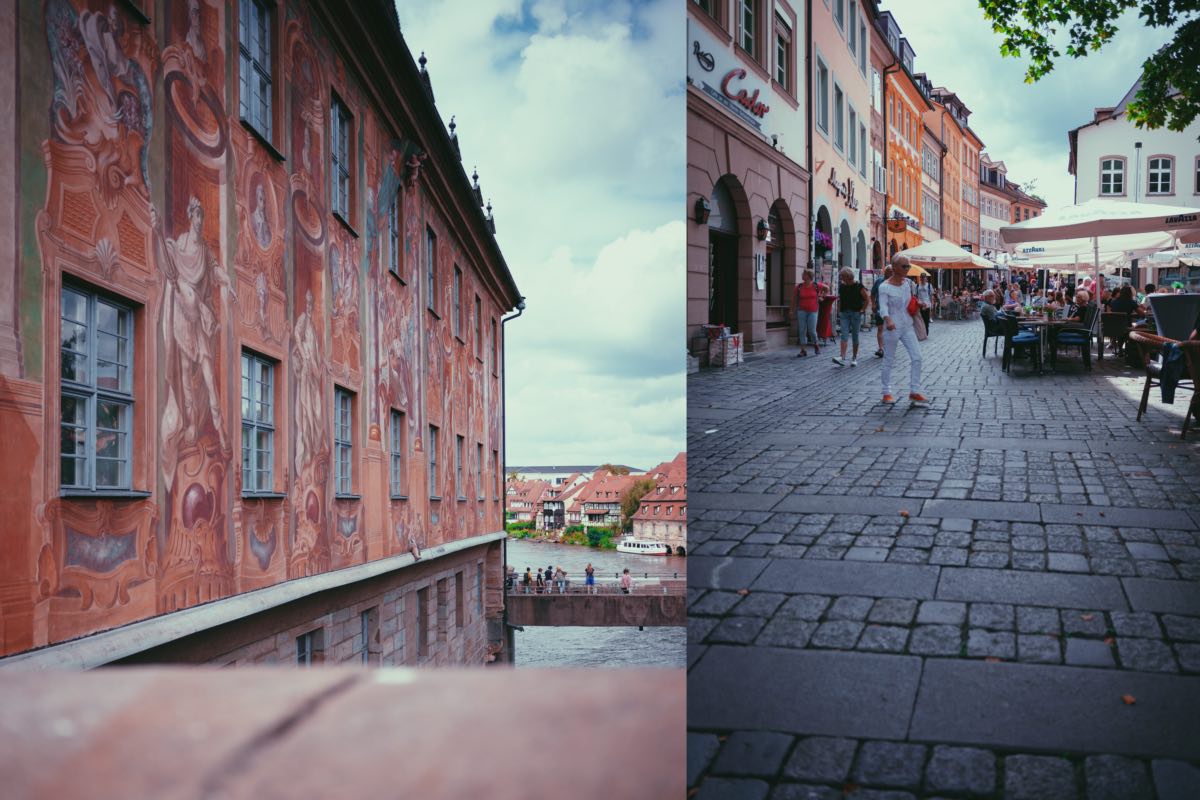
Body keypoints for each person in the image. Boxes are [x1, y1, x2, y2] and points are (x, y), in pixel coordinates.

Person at [878, 254, 927, 406]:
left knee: (917, 357)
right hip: (892, 327)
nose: (907, 269)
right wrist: (888, 320)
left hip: (907, 325)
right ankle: (886, 392)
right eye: (904, 266)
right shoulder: (884, 286)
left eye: (908, 266)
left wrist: (918, 304)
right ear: (894, 268)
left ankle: (914, 391)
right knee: (889, 359)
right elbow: (883, 307)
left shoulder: (907, 284)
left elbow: (908, 303)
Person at [834, 267, 869, 366]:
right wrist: (839, 310)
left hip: (855, 313)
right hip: (844, 313)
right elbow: (840, 299)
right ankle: (842, 357)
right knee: (844, 334)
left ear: (847, 276)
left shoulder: (858, 286)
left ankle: (854, 357)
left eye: (842, 276)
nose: (841, 278)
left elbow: (867, 299)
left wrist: (862, 310)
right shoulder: (842, 286)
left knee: (855, 335)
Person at [791, 270, 820, 356]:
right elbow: (794, 299)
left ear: (808, 276)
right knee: (802, 330)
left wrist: (823, 295)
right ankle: (803, 350)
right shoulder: (799, 287)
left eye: (803, 274)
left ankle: (816, 344)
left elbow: (827, 288)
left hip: (813, 311)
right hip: (801, 311)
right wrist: (791, 309)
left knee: (812, 331)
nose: (802, 275)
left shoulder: (815, 285)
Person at [871, 266, 892, 358]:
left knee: (889, 330)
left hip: (891, 310)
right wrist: (873, 304)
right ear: (885, 272)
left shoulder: (895, 282)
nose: (890, 273)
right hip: (880, 308)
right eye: (888, 271)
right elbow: (872, 294)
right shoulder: (879, 281)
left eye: (892, 271)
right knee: (880, 329)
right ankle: (881, 349)